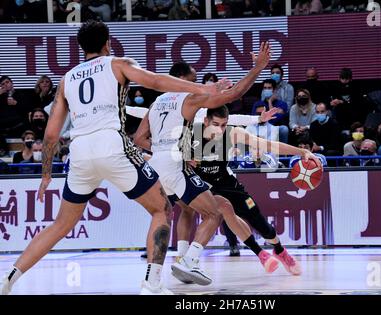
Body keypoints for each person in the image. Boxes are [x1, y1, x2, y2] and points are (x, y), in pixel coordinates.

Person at [1, 20, 233, 296]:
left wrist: (46, 174)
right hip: (111, 145)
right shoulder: (117, 63)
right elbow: (157, 81)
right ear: (107, 42)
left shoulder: (67, 80)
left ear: (81, 47)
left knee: (61, 224)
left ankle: (9, 279)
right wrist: (202, 90)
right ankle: (152, 284)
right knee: (162, 209)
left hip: (80, 152)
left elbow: (51, 136)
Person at [133, 44, 279, 286]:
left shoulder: (156, 103)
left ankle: (154, 279)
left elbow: (138, 139)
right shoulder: (187, 98)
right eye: (191, 80)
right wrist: (257, 69)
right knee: (213, 213)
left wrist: (167, 149)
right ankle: (189, 261)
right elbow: (233, 96)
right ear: (179, 80)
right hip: (174, 164)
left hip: (157, 165)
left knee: (167, 215)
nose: (194, 84)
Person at [176, 106, 321, 279]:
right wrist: (182, 157)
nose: (219, 130)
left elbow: (269, 145)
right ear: (205, 121)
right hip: (205, 186)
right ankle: (259, 254)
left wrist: (301, 151)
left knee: (260, 224)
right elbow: (169, 152)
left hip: (227, 182)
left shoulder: (232, 133)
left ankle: (279, 250)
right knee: (223, 209)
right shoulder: (190, 134)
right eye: (215, 124)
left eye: (223, 125)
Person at [252, 79, 289, 143]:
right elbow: (254, 119)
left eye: (269, 88)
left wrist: (270, 102)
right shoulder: (257, 104)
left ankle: (283, 153)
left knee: (284, 129)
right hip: (261, 127)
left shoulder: (282, 104)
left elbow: (274, 120)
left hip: (276, 127)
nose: (267, 90)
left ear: (274, 90)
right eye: (265, 88)